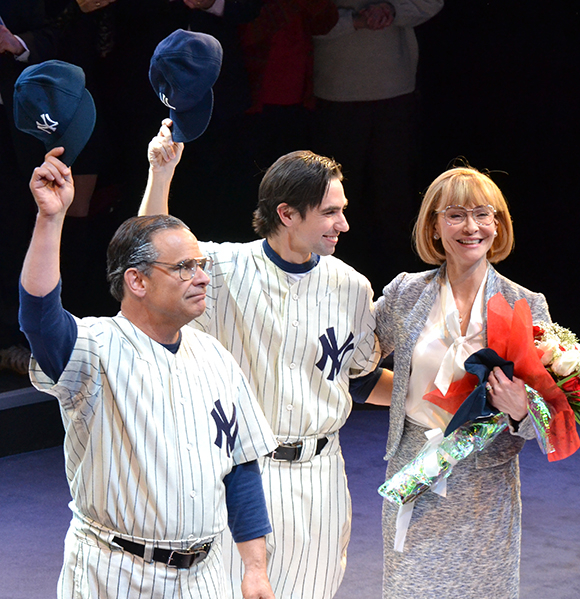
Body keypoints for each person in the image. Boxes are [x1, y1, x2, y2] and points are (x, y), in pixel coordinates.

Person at [139, 120, 391, 599]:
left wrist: (447, 399)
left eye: (343, 210)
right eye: (330, 212)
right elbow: (152, 253)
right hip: (242, 472)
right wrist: (162, 173)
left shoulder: (352, 286)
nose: (344, 224)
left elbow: (358, 379)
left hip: (322, 476)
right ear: (287, 214)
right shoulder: (225, 269)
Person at [18, 146, 279, 599]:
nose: (201, 277)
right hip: (115, 573)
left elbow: (241, 469)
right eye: (184, 267)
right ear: (137, 281)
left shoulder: (216, 356)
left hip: (204, 576)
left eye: (201, 265)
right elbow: (39, 317)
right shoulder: (94, 348)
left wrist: (255, 569)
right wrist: (50, 219)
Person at [374, 166, 551, 598]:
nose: (471, 227)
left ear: (498, 225)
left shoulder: (525, 304)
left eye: (482, 214)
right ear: (434, 226)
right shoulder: (405, 292)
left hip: (485, 489)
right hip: (414, 474)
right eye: (455, 215)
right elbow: (355, 360)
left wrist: (521, 409)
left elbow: (551, 425)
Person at [312, 0, 444, 291]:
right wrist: (355, 20)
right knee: (336, 200)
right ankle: (331, 286)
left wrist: (393, 9)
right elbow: (303, 19)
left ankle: (406, 291)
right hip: (336, 90)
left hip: (396, 91)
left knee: (394, 199)